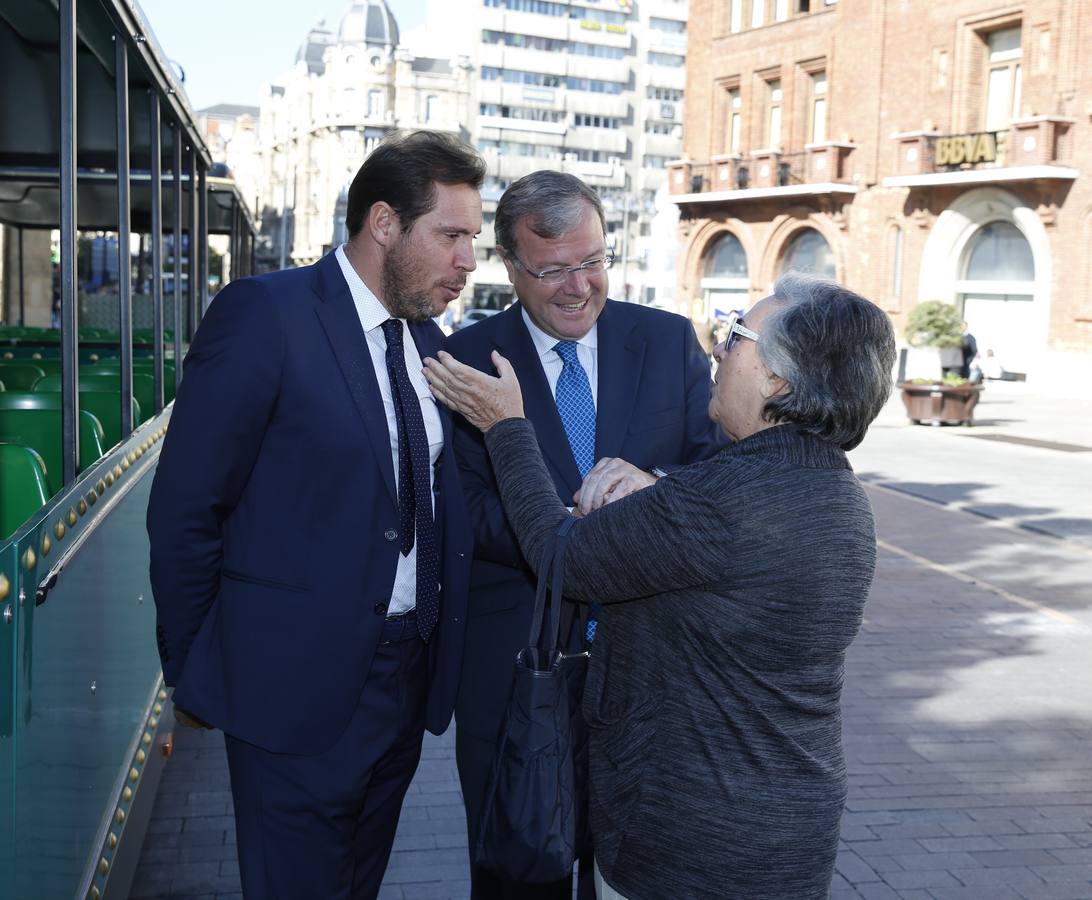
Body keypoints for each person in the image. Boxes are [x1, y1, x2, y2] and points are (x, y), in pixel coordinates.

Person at [424, 273, 896, 900]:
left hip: (689, 841)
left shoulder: (722, 504)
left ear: (778, 380)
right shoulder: (835, 493)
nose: (719, 348)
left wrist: (507, 425)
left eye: (736, 335)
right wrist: (660, 488)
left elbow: (560, 555)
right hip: (787, 823)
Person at [146, 130, 485, 899]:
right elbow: (187, 508)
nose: (469, 260)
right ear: (384, 223)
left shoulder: (428, 341)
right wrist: (196, 669)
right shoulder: (265, 315)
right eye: (452, 236)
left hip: (404, 683)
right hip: (290, 693)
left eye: (473, 239)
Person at [445, 170, 724, 900]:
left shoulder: (666, 341)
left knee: (639, 878)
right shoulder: (464, 361)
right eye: (553, 270)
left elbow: (717, 474)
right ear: (512, 267)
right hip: (513, 677)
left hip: (648, 679)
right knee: (517, 881)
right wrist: (570, 534)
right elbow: (460, 510)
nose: (578, 287)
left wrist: (654, 487)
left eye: (593, 262)